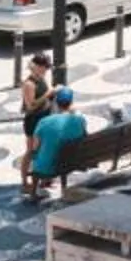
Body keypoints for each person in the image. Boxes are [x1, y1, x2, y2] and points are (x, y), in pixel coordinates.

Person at [24, 89, 87, 204]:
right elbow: (84, 137)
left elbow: (35, 147)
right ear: (71, 102)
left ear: (56, 103)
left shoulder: (44, 121)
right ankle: (61, 187)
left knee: (39, 156)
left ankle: (33, 193)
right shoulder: (80, 120)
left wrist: (33, 154)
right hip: (72, 161)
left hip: (48, 166)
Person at [16, 51, 54, 192]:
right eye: (44, 67)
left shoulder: (41, 78)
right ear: (37, 66)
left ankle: (44, 179)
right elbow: (31, 105)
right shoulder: (29, 84)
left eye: (47, 67)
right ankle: (25, 181)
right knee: (31, 151)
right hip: (33, 120)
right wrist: (48, 94)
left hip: (44, 118)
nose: (46, 70)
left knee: (43, 149)